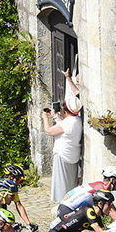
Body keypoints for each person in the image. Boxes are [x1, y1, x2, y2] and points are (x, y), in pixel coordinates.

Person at [42, 70, 82, 201]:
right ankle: (70, 201)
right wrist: (55, 116)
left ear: (66, 110)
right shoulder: (77, 120)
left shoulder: (68, 123)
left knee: (61, 183)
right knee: (70, 182)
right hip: (73, 155)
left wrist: (45, 118)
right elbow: (64, 127)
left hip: (63, 155)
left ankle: (62, 203)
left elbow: (49, 131)